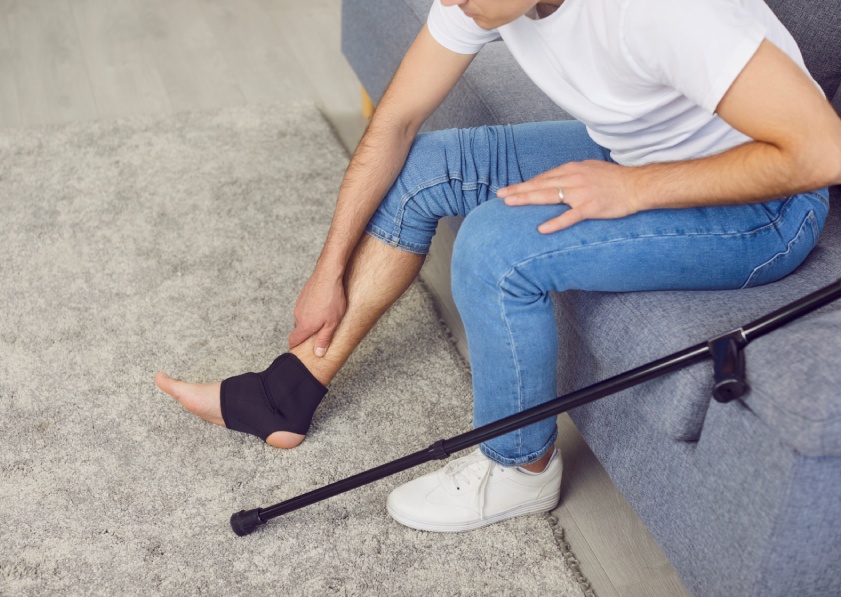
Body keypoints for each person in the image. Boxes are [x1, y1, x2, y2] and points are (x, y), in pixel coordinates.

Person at [156, 0, 841, 533]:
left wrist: (634, 189)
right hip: (647, 157)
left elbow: (820, 151)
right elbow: (396, 122)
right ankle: (289, 391)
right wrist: (328, 267)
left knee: (493, 250)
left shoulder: (658, 12)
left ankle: (519, 466)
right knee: (428, 167)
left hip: (766, 208)